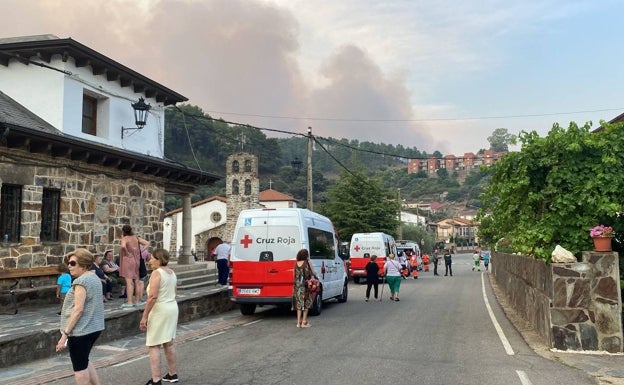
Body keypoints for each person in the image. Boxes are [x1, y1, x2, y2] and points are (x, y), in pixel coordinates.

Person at [55, 248, 105, 385]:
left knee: (79, 368)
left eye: (72, 263)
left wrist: (64, 335)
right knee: (85, 360)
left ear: (83, 264)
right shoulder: (94, 277)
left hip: (81, 331)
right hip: (94, 327)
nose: (69, 266)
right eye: (68, 263)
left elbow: (78, 310)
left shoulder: (81, 282)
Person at [140, 248, 179, 385]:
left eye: (151, 258)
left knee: (154, 344)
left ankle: (156, 379)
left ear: (158, 259)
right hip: (172, 307)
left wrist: (144, 316)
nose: (150, 261)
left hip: (160, 310)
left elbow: (152, 297)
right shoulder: (172, 272)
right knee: (168, 342)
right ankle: (172, 373)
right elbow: (175, 291)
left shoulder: (157, 273)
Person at [120, 224, 150, 308]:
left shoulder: (125, 238)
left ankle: (129, 302)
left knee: (129, 282)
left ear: (123, 231)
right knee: (136, 281)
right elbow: (147, 243)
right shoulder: (136, 238)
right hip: (136, 260)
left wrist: (126, 252)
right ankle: (137, 301)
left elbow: (123, 246)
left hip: (128, 261)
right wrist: (140, 251)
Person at [292, 248, 318, 327]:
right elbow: (313, 272)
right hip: (306, 285)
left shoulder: (296, 264)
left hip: (297, 286)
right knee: (306, 303)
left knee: (299, 304)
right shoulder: (307, 262)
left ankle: (298, 322)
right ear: (306, 256)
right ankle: (304, 322)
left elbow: (293, 275)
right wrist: (314, 276)